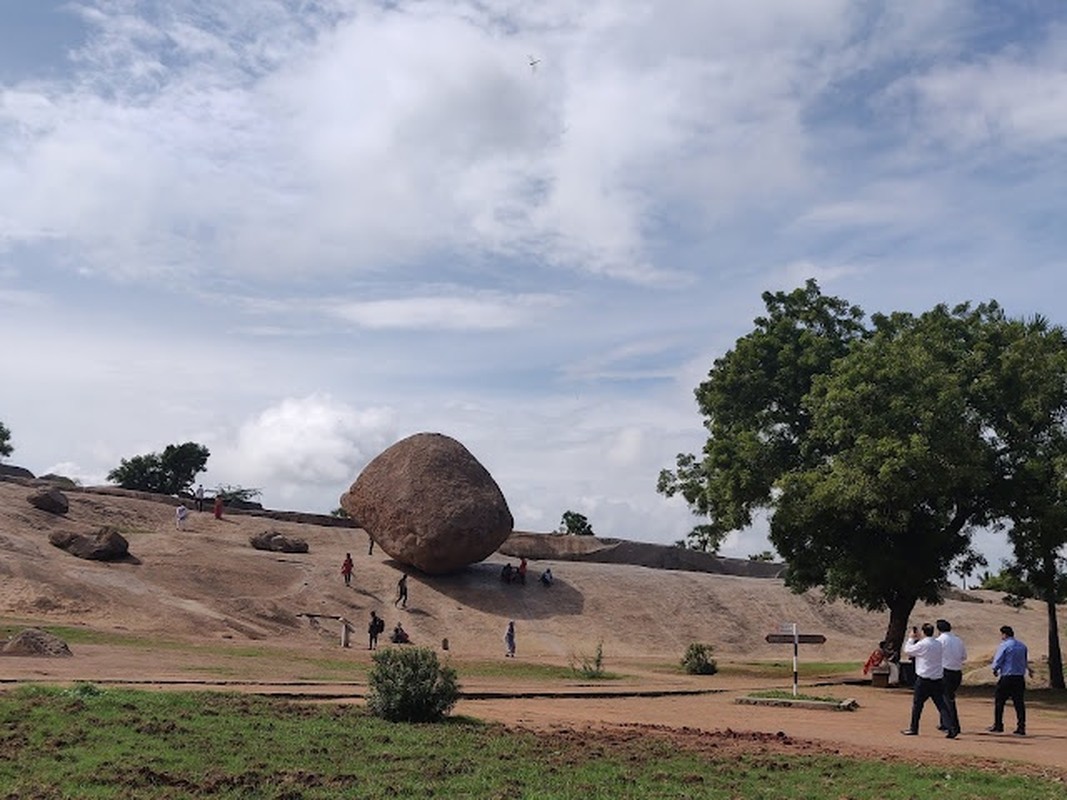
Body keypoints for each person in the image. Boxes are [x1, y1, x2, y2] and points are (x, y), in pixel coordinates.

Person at [901, 623, 951, 737]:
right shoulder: (938, 644)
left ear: (923, 632)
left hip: (924, 679)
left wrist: (911, 638)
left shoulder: (922, 644)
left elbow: (908, 650)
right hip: (937, 678)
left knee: (917, 705)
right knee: (941, 704)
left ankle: (914, 728)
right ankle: (950, 727)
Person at [989, 625, 1032, 735]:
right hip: (1019, 677)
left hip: (1007, 677)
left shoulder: (1004, 645)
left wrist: (995, 669)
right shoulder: (1022, 646)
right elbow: (1024, 660)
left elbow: (998, 660)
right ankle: (1021, 726)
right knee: (1019, 703)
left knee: (1000, 701)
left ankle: (998, 725)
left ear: (1004, 634)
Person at [936, 619, 966, 737]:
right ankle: (944, 722)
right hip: (957, 672)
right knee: (946, 697)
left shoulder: (940, 641)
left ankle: (953, 725)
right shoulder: (958, 640)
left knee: (946, 699)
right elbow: (964, 656)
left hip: (945, 671)